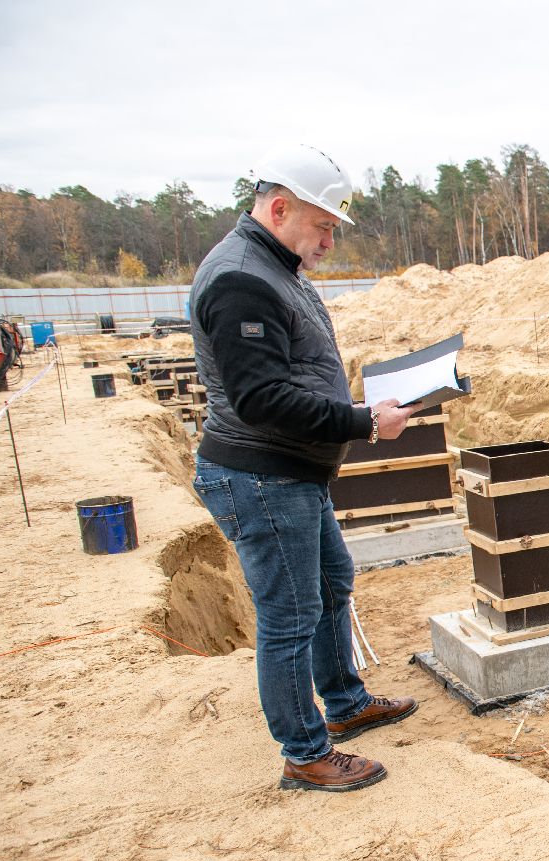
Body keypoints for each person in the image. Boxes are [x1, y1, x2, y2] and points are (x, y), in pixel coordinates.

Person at [190, 143, 418, 793]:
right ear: (281, 207)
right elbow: (261, 400)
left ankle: (344, 705)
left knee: (331, 586)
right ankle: (305, 752)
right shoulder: (240, 279)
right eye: (322, 226)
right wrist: (363, 420)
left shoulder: (273, 267)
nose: (328, 242)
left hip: (292, 476)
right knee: (289, 615)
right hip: (263, 477)